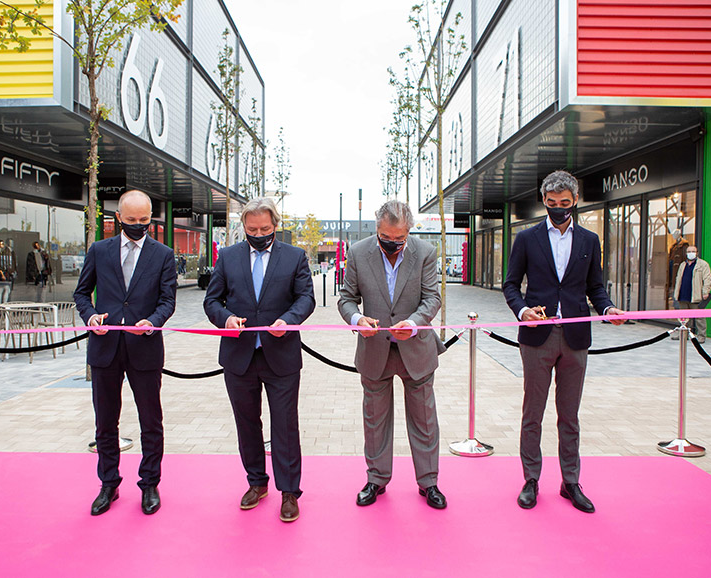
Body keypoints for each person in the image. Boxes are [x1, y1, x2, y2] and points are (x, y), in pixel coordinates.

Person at [503, 170, 624, 514]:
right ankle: (530, 479)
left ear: (575, 201)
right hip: (536, 337)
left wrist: (608, 308)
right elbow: (511, 285)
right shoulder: (526, 239)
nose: (558, 208)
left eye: (565, 203)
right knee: (533, 413)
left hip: (575, 338)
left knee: (569, 415)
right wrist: (523, 311)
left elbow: (595, 287)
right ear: (544, 201)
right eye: (552, 203)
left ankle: (570, 481)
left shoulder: (589, 240)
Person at [203, 198, 315, 523]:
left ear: (275, 226)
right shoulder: (227, 257)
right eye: (252, 229)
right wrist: (224, 319)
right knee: (247, 423)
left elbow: (306, 298)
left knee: (285, 424)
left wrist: (288, 320)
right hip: (239, 356)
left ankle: (289, 491)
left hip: (281, 355)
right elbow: (212, 300)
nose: (259, 233)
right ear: (244, 228)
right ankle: (256, 482)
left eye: (265, 228)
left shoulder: (294, 257)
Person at [337, 200, 447, 510]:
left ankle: (429, 482)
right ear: (377, 229)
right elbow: (347, 299)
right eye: (387, 238)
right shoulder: (358, 252)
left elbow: (432, 298)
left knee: (424, 419)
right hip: (375, 350)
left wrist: (413, 323)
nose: (393, 244)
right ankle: (376, 479)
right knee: (375, 420)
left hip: (416, 349)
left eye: (400, 239)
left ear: (409, 231)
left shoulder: (425, 252)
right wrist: (357, 320)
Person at [74, 190, 177, 517]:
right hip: (104, 349)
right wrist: (90, 317)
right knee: (105, 421)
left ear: (151, 219)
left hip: (145, 348)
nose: (138, 226)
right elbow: (81, 293)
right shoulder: (99, 251)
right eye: (131, 220)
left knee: (151, 420)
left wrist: (152, 322)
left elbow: (168, 301)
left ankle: (150, 483)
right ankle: (108, 483)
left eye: (144, 221)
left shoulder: (163, 254)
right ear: (118, 217)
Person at [672, 245, 711, 343]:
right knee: (684, 317)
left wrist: (705, 292)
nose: (691, 253)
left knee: (699, 317)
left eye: (693, 251)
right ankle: (683, 334)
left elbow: (708, 279)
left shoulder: (703, 264)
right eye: (689, 251)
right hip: (683, 295)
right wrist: (675, 293)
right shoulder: (683, 264)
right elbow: (678, 278)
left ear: (697, 252)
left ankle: (701, 336)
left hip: (696, 295)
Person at [0, 239, 16, 303]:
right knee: (6, 289)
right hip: (1, 273)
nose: (3, 245)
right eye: (2, 244)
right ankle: (3, 304)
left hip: (2, 273)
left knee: (2, 289)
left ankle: (1, 304)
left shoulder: (1, 252)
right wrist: (2, 274)